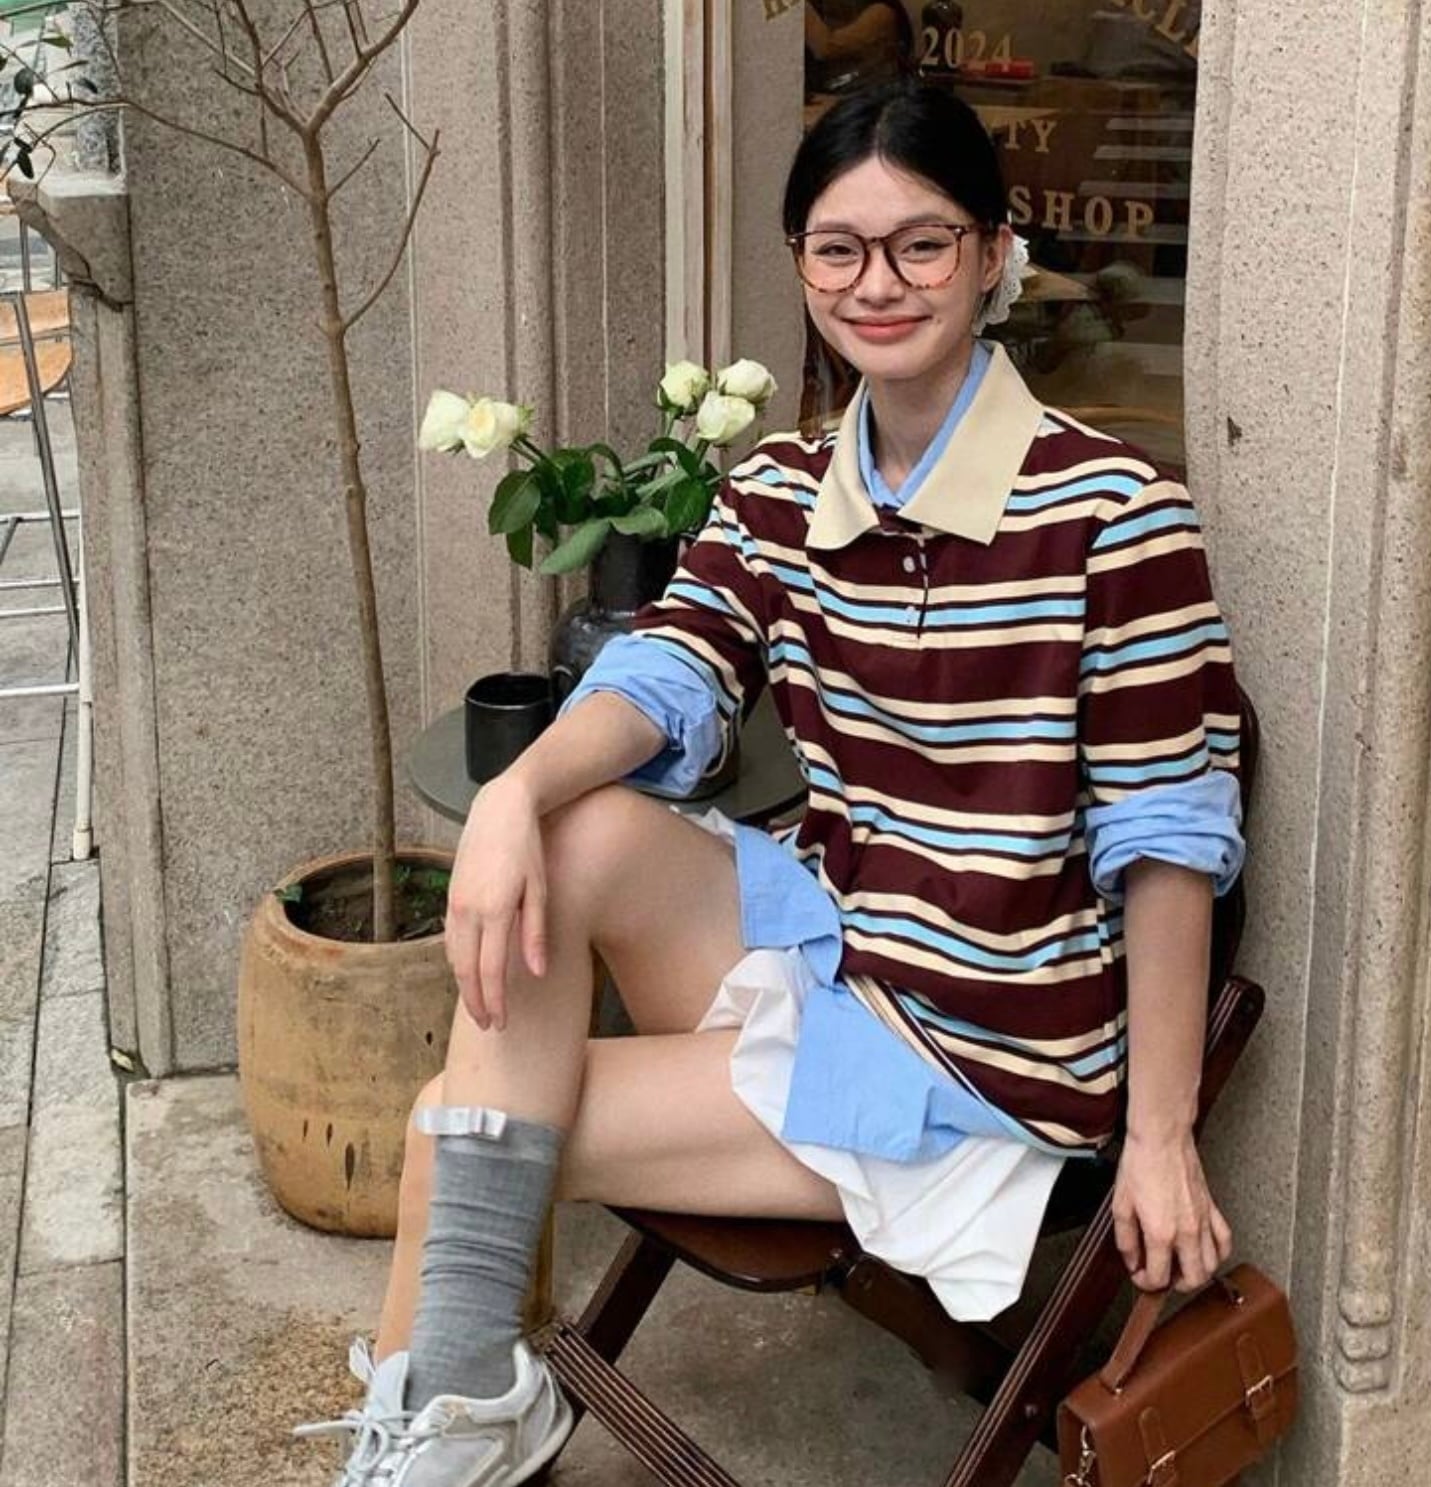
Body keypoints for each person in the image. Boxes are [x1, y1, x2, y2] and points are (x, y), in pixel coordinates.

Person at [296, 78, 1245, 1487]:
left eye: (922, 243)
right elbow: (672, 669)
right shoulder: (785, 490)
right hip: (836, 955)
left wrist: (1161, 1138)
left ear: (994, 253)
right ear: (800, 264)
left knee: (457, 1133)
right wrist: (510, 800)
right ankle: (457, 1411)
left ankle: (449, 1421)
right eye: (837, 248)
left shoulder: (1115, 513)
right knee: (576, 829)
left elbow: (1164, 844)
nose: (878, 283)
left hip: (979, 1056)